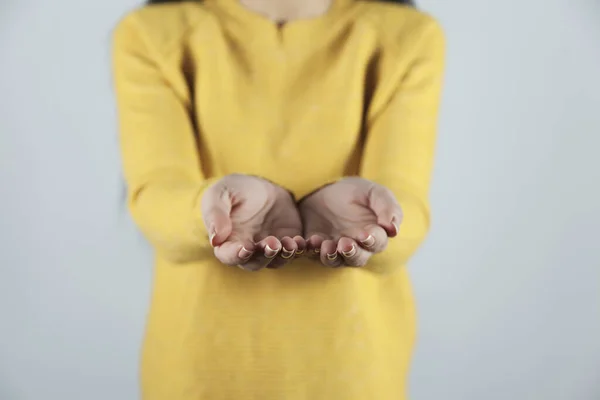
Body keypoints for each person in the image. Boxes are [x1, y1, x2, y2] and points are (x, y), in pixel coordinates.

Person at [111, 0, 445, 398]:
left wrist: (378, 225)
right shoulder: (151, 33)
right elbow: (154, 196)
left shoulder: (407, 37)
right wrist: (209, 210)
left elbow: (408, 208)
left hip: (351, 372)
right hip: (200, 372)